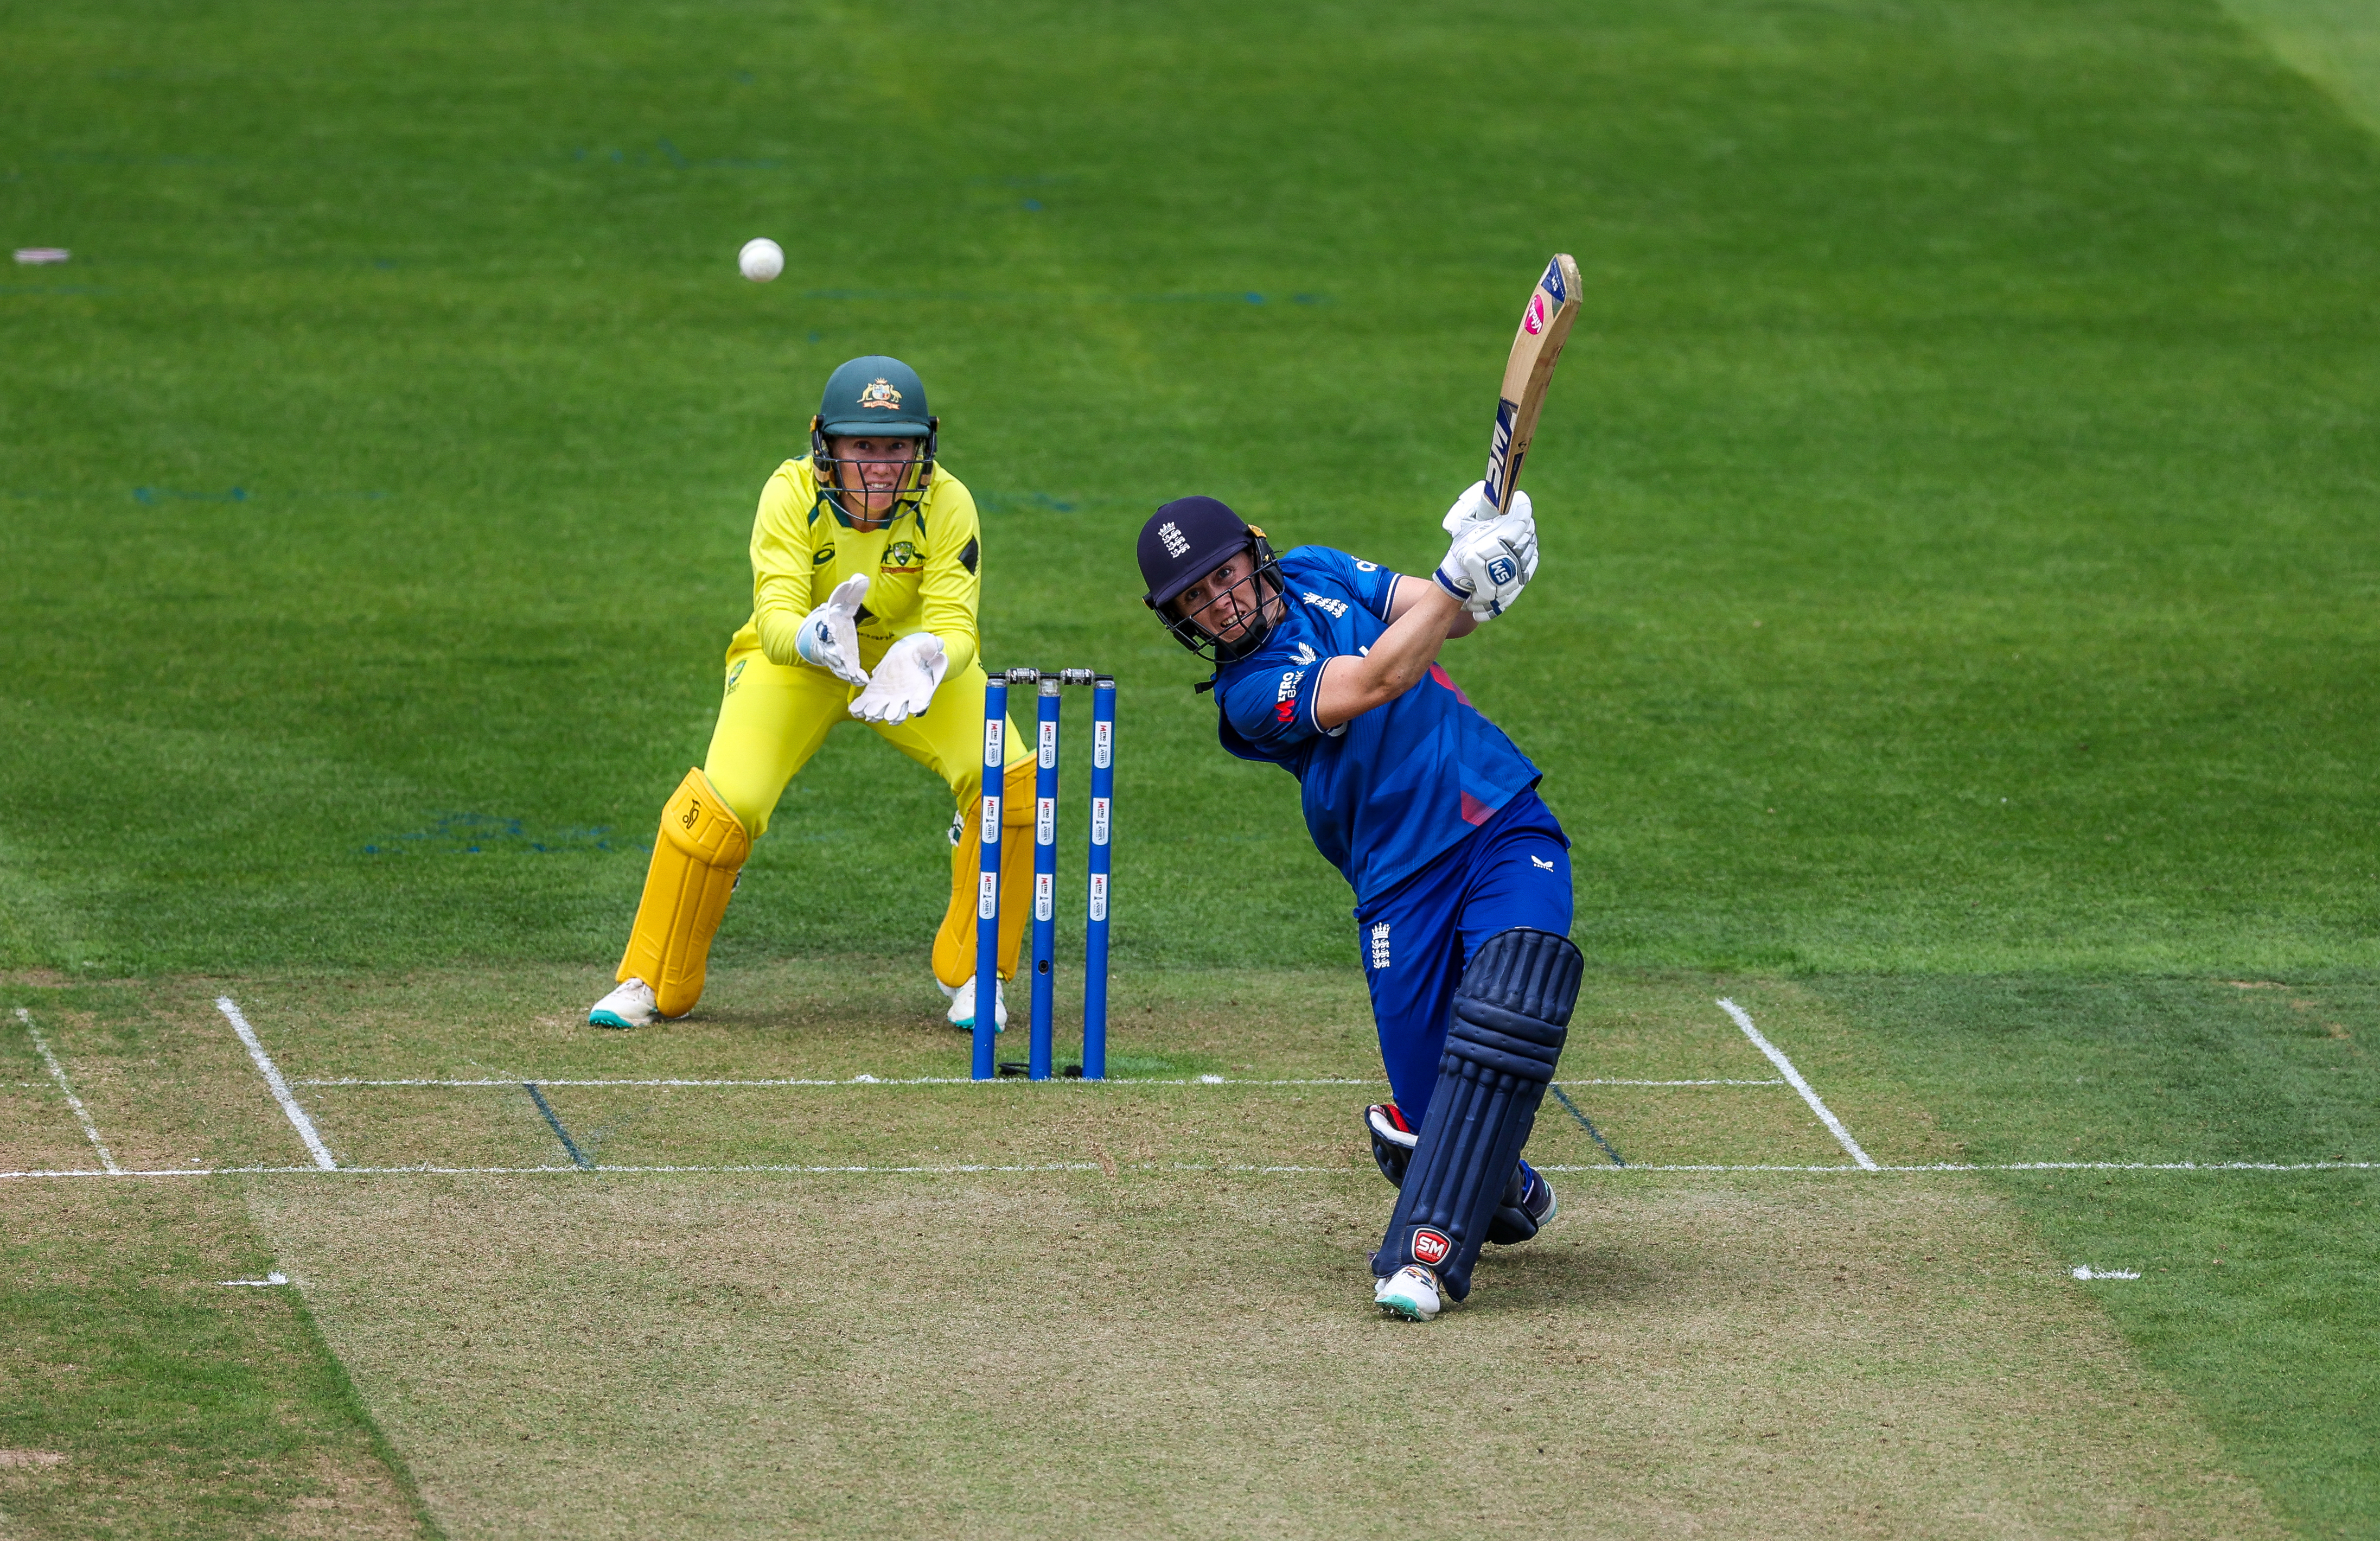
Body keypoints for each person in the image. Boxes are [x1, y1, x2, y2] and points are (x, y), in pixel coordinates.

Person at [1134, 486, 1582, 1320]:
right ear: (1183, 621)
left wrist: (1490, 562)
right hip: (1394, 885)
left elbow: (1452, 621)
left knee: (1512, 997)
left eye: (1223, 575)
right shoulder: (1246, 696)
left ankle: (1422, 1259)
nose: (1220, 603)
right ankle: (1496, 1183)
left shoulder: (1314, 571)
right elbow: (1381, 675)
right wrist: (1458, 575)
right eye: (1195, 599)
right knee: (1433, 1113)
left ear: (1253, 554)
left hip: (1495, 819)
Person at [590, 356, 1033, 1031]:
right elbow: (773, 614)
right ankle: (650, 976)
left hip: (907, 661)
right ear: (827, 444)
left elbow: (956, 622)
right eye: (863, 446)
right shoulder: (788, 493)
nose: (880, 465)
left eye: (897, 446)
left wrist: (932, 653)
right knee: (725, 803)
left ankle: (977, 974)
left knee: (1012, 779)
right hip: (800, 658)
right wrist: (810, 635)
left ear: (923, 445)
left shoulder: (950, 501)